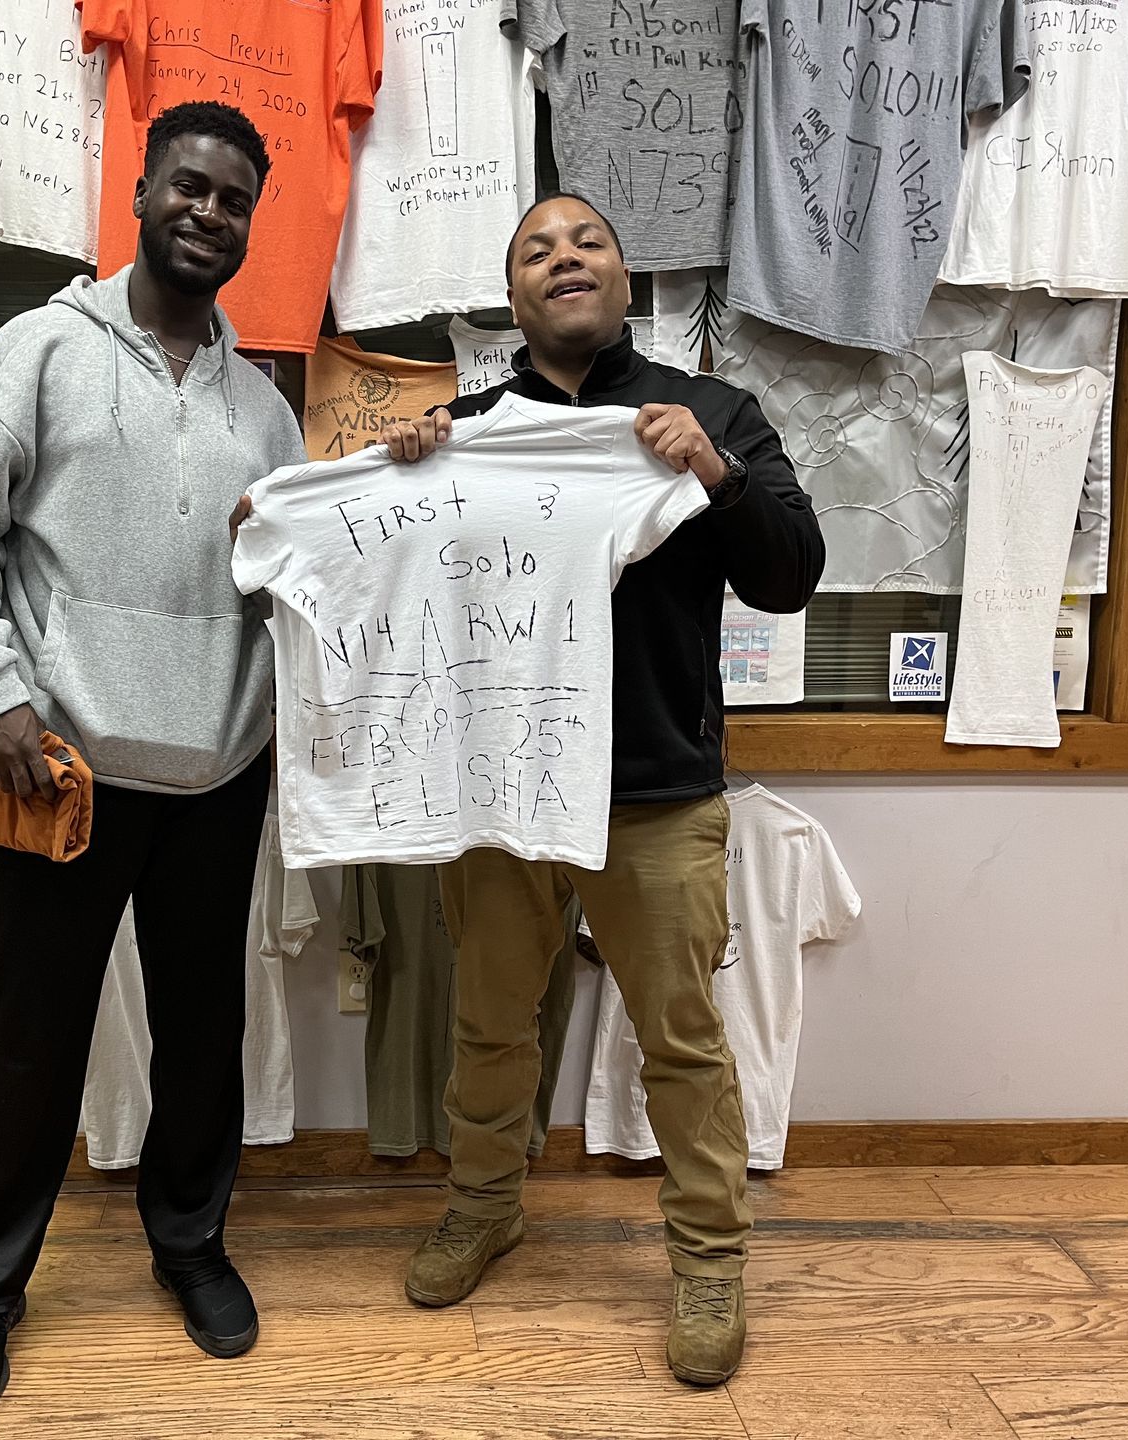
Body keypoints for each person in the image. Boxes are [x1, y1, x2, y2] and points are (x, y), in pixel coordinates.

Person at [371, 191, 824, 1388]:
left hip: (659, 792)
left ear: (626, 278)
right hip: (503, 791)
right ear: (512, 294)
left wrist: (716, 474)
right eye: (538, 249)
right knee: (488, 1021)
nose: (564, 258)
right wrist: (403, 477)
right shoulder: (470, 432)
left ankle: (710, 1258)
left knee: (681, 1038)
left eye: (588, 243)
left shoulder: (710, 414)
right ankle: (483, 1205)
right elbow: (392, 584)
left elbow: (792, 575)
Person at [0, 101, 306, 1420]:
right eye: (189, 185)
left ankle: (190, 1246)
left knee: (202, 1040)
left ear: (250, 224)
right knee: (30, 1046)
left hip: (217, 772)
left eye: (233, 199)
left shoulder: (267, 412)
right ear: (139, 192)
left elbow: (291, 585)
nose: (208, 211)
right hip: (55, 769)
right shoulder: (40, 350)